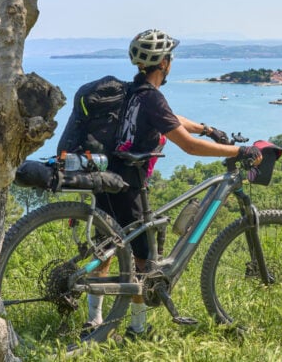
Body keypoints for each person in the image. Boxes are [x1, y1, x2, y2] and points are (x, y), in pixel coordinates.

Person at [84, 28, 262, 340]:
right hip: (130, 185)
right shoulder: (152, 97)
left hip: (108, 176)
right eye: (170, 58)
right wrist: (239, 149)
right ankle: (137, 328)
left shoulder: (132, 90)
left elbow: (169, 118)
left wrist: (206, 128)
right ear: (164, 63)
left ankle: (94, 320)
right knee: (143, 262)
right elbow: (189, 146)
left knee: (105, 250)